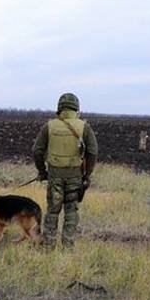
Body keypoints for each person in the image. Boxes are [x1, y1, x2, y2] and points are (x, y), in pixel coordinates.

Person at [32, 92, 97, 248]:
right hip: (75, 176)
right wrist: (87, 175)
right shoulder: (84, 127)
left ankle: (48, 245)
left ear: (60, 108)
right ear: (77, 108)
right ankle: (68, 246)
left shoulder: (49, 126)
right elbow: (93, 152)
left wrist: (42, 172)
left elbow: (37, 151)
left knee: (52, 211)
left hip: (54, 176)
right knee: (71, 212)